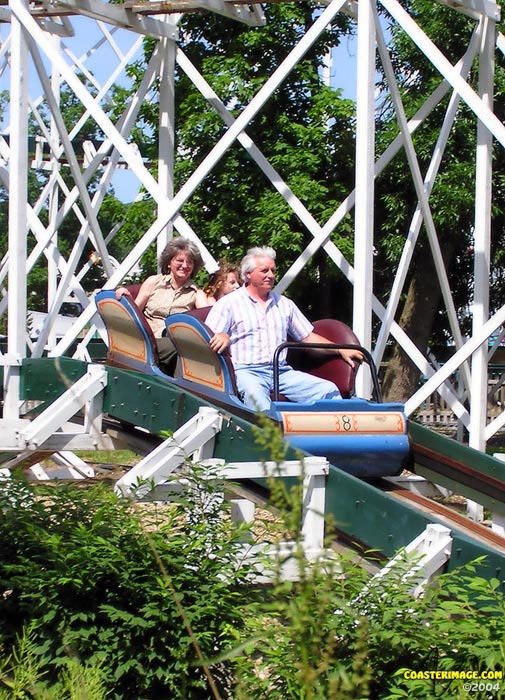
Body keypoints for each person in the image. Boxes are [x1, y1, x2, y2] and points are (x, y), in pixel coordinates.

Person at [206, 246, 364, 413]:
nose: (270, 275)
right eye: (264, 270)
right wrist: (222, 335)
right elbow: (207, 337)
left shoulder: (284, 304)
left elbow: (307, 337)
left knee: (327, 390)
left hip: (280, 371)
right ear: (248, 274)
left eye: (273, 270)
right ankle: (273, 437)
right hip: (245, 371)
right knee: (257, 397)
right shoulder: (229, 303)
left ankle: (331, 435)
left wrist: (339, 349)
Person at [116, 237, 208, 373]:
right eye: (180, 260)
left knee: (185, 350)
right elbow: (133, 313)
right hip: (148, 339)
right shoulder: (154, 282)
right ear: (169, 262)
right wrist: (126, 296)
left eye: (190, 262)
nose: (185, 265)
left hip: (177, 342)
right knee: (180, 350)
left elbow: (207, 321)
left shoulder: (196, 293)